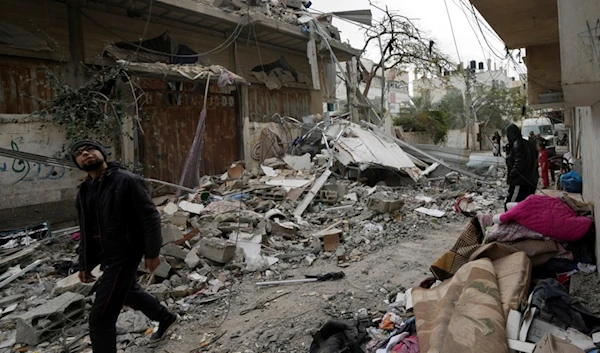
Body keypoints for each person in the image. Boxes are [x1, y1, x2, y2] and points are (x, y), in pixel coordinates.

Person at [71, 140, 179, 353]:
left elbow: (149, 217)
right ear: (76, 162)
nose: (86, 154)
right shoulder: (84, 190)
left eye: (90, 149)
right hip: (106, 256)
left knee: (100, 316)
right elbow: (86, 230)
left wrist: (152, 252)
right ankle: (166, 318)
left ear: (102, 153)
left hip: (125, 253)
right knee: (128, 291)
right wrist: (84, 263)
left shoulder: (127, 181)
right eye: (80, 153)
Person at [505, 124, 539, 209]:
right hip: (532, 180)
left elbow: (518, 163)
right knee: (526, 206)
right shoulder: (529, 144)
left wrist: (512, 175)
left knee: (510, 206)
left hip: (520, 182)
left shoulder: (517, 144)